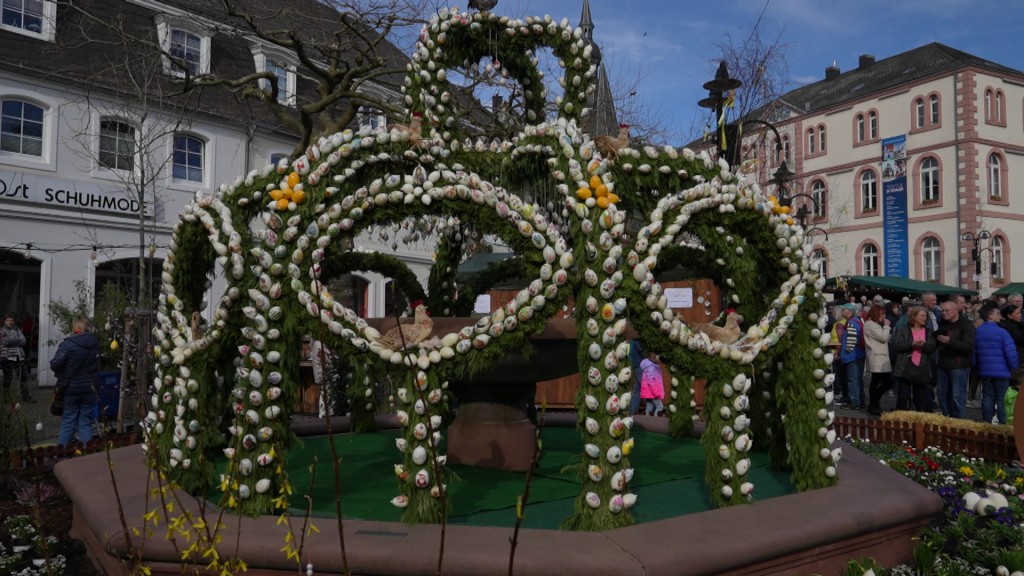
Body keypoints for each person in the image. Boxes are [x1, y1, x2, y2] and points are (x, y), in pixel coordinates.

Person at [51, 317, 101, 446]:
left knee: (69, 420)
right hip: (90, 388)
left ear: (75, 327)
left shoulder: (67, 344)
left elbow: (55, 364)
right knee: (85, 422)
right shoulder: (95, 343)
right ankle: (87, 454)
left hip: (71, 388)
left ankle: (62, 454)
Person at [975, 305, 1018, 425]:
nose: (1000, 316)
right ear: (990, 316)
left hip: (984, 371)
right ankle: (1002, 422)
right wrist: (1013, 367)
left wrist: (976, 366)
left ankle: (986, 421)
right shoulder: (1002, 332)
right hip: (1002, 371)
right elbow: (1011, 353)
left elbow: (974, 353)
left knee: (987, 396)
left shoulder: (978, 332)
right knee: (1001, 398)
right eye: (997, 314)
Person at [935, 301, 976, 418]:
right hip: (943, 364)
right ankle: (947, 417)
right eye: (942, 310)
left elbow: (969, 346)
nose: (944, 313)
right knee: (942, 394)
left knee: (957, 395)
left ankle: (958, 422)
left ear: (956, 310)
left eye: (947, 310)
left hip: (959, 364)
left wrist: (950, 342)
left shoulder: (966, 324)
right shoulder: (943, 324)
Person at [891, 306, 937, 412]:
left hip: (922, 368)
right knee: (903, 397)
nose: (924, 318)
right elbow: (897, 346)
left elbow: (932, 348)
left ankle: (918, 423)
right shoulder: (903, 330)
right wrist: (912, 345)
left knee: (920, 399)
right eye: (922, 315)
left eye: (925, 316)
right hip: (905, 367)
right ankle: (902, 422)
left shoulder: (928, 332)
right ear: (914, 317)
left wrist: (923, 346)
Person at [863, 304, 892, 415]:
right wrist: (886, 326)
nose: (884, 316)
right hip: (877, 356)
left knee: (879, 381)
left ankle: (874, 403)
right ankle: (873, 403)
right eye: (882, 314)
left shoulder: (874, 324)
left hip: (880, 355)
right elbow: (882, 337)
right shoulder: (871, 324)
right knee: (882, 382)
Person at [839, 303, 867, 410]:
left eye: (843, 309)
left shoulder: (850, 324)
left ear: (849, 312)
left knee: (852, 380)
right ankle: (861, 400)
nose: (842, 311)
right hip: (860, 354)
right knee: (858, 379)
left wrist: (845, 353)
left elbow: (851, 341)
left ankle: (854, 402)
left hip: (852, 356)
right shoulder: (858, 321)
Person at [1, 313, 31, 402]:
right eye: (8, 320)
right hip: (7, 358)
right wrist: (17, 340)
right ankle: (6, 399)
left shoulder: (17, 330)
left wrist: (14, 341)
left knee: (23, 377)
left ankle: (26, 397)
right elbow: (6, 341)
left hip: (19, 357)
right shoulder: (2, 331)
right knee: (8, 378)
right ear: (5, 322)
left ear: (14, 321)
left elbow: (24, 341)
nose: (10, 322)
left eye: (11, 320)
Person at [639, 352, 664, 417]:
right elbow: (651, 381)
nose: (659, 359)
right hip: (653, 393)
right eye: (658, 356)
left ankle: (647, 422)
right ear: (654, 357)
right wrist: (656, 393)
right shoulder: (651, 367)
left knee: (649, 408)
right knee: (660, 407)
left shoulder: (650, 366)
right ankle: (656, 422)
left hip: (648, 393)